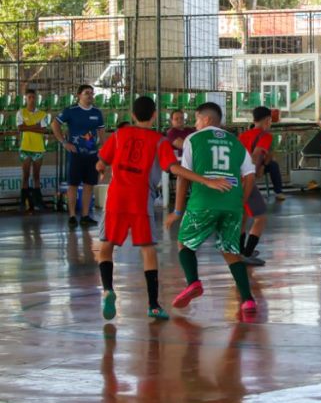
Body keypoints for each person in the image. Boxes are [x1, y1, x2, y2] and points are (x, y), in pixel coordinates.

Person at [95, 97, 232, 321]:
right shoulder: (159, 141)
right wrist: (205, 180)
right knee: (148, 251)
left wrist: (101, 170)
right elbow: (175, 168)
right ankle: (153, 304)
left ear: (132, 115)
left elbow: (100, 163)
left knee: (106, 246)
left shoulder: (119, 135)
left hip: (116, 199)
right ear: (155, 115)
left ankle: (108, 289)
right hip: (141, 201)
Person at [165, 102, 259, 320]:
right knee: (231, 252)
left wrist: (178, 211)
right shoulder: (235, 142)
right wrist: (239, 201)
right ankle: (247, 300)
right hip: (232, 204)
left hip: (203, 202)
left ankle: (193, 282)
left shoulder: (194, 139)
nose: (195, 124)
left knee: (184, 243)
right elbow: (250, 176)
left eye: (196, 119)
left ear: (206, 119)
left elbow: (183, 176)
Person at [52, 84, 105, 229]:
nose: (90, 95)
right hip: (76, 154)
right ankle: (72, 216)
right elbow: (55, 124)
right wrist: (64, 142)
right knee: (73, 184)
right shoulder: (71, 111)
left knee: (89, 185)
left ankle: (85, 216)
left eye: (91, 93)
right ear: (79, 95)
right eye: (86, 93)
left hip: (92, 155)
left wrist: (102, 148)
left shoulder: (97, 112)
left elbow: (101, 132)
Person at [237, 106, 273, 267]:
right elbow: (258, 153)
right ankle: (247, 253)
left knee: (243, 216)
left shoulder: (243, 135)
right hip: (247, 179)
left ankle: (239, 251)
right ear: (267, 120)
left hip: (236, 179)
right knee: (261, 217)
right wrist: (255, 171)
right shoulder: (265, 135)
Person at [16, 89, 49, 212]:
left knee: (36, 176)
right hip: (25, 148)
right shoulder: (21, 112)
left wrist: (28, 127)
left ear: (36, 99)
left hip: (38, 148)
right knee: (25, 175)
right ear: (26, 98)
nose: (31, 99)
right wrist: (36, 126)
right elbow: (20, 128)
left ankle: (38, 202)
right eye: (29, 97)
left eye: (33, 97)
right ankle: (23, 203)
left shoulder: (42, 114)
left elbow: (43, 130)